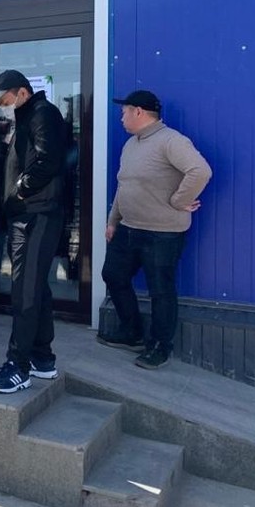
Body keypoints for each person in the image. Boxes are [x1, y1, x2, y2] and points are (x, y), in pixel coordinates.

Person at [99, 90, 212, 369]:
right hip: (128, 228)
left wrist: (179, 201)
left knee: (160, 290)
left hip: (162, 233)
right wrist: (113, 220)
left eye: (124, 112)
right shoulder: (131, 144)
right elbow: (125, 185)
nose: (121, 117)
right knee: (113, 275)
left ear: (138, 112)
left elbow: (200, 171)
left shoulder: (171, 141)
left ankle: (160, 345)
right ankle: (132, 332)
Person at [0, 70, 69, 393]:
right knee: (36, 289)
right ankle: (42, 359)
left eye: (3, 98)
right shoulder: (27, 115)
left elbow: (48, 161)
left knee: (25, 292)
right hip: (27, 213)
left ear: (21, 92)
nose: (0, 105)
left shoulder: (42, 114)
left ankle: (18, 366)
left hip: (36, 214)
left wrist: (21, 189)